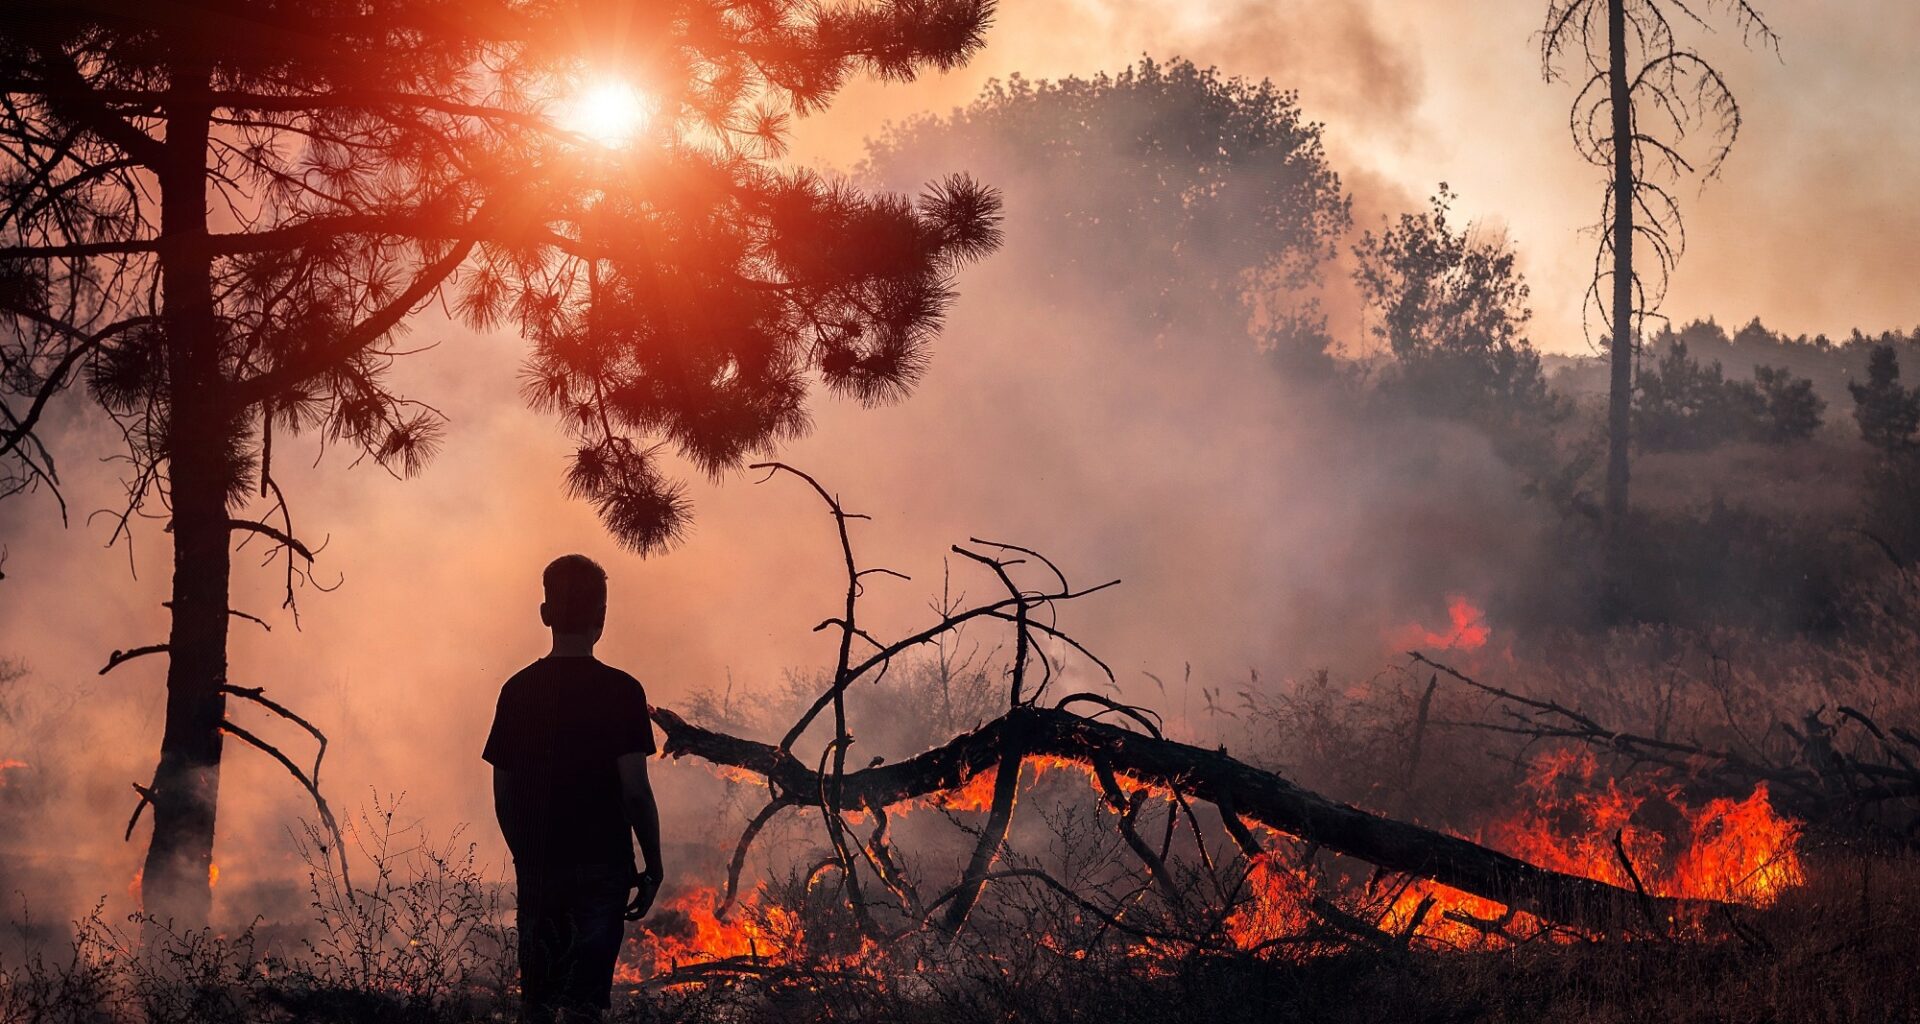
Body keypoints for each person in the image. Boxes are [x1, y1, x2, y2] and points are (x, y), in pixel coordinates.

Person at [483, 554, 664, 1023]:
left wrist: (527, 853)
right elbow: (635, 792)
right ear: (601, 620)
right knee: (586, 1006)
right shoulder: (623, 691)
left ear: (545, 614)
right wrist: (653, 863)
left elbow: (503, 795)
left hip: (542, 862)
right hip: (604, 867)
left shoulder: (518, 691)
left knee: (537, 1002)